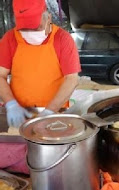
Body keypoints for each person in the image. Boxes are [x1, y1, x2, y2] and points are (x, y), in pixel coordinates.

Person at [0, 0, 81, 173]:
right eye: (24, 30)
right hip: (19, 116)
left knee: (51, 167)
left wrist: (49, 112)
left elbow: (71, 79)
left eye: (35, 28)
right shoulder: (10, 39)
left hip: (54, 115)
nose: (29, 34)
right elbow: (0, 75)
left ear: (48, 17)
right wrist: (10, 104)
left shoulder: (63, 40)